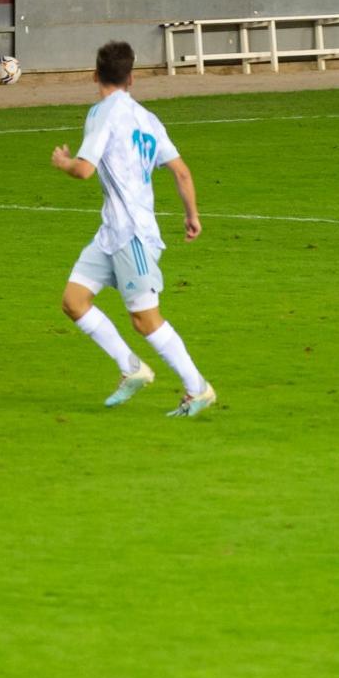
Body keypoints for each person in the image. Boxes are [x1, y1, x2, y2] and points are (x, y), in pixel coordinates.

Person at [52, 41, 216, 418]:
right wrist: (192, 214)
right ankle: (132, 367)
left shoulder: (102, 113)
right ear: (132, 78)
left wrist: (63, 161)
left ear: (95, 76)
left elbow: (84, 169)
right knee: (73, 301)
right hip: (112, 231)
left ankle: (198, 388)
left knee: (145, 319)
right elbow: (181, 171)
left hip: (134, 235)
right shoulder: (148, 118)